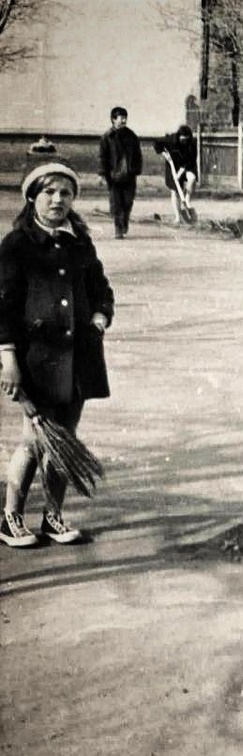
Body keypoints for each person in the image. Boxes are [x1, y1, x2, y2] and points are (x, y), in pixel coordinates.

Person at [0, 163, 114, 548]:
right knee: (33, 441)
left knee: (64, 436)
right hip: (36, 361)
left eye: (65, 193)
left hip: (78, 360)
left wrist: (98, 319)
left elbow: (101, 287)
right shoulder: (17, 245)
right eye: (49, 192)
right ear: (33, 197)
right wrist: (9, 359)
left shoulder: (80, 242)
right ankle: (10, 518)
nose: (57, 200)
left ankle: (53, 516)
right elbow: (4, 307)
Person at [97, 106, 143, 239]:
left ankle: (124, 222)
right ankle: (118, 227)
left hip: (129, 175)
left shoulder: (132, 136)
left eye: (125, 118)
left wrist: (136, 170)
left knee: (128, 201)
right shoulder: (107, 137)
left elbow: (138, 154)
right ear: (113, 119)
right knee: (116, 203)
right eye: (121, 118)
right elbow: (102, 157)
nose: (123, 121)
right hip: (114, 176)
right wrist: (102, 175)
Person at [152, 125, 198, 224]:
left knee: (192, 178)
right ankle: (177, 217)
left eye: (187, 140)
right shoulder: (170, 140)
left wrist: (181, 171)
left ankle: (187, 201)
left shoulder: (193, 143)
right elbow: (156, 142)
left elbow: (191, 160)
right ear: (179, 136)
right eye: (183, 140)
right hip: (172, 165)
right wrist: (163, 153)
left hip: (187, 165)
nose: (184, 142)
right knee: (175, 190)